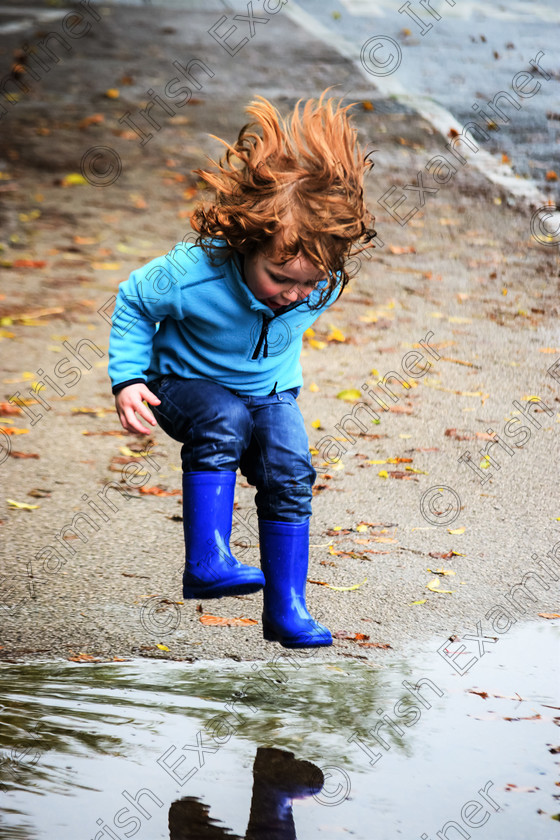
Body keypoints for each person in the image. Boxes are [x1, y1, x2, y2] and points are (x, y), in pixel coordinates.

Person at [108, 87, 376, 648]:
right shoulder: (193, 272)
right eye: (282, 277)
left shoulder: (318, 282)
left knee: (290, 466)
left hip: (271, 392)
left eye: (310, 282)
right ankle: (207, 560)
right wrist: (128, 379)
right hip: (182, 383)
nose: (296, 295)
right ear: (247, 245)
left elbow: (301, 284)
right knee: (224, 420)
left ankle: (287, 610)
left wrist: (304, 283)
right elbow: (133, 300)